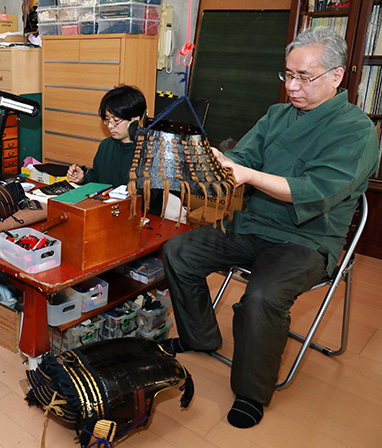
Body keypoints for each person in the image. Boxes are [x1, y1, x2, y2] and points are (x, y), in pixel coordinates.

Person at [161, 27, 379, 428]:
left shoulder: (358, 131)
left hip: (307, 241)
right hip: (253, 224)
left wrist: (246, 173)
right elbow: (242, 156)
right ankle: (200, 337)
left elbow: (312, 191)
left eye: (304, 77)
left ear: (337, 75)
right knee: (179, 251)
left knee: (261, 296)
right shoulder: (277, 116)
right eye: (288, 75)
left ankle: (251, 391)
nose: (293, 86)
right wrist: (212, 158)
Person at [66, 85, 146, 187]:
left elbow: (146, 198)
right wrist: (82, 179)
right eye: (107, 120)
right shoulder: (105, 145)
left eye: (116, 121)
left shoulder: (148, 153)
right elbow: (96, 178)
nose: (110, 126)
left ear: (135, 119)